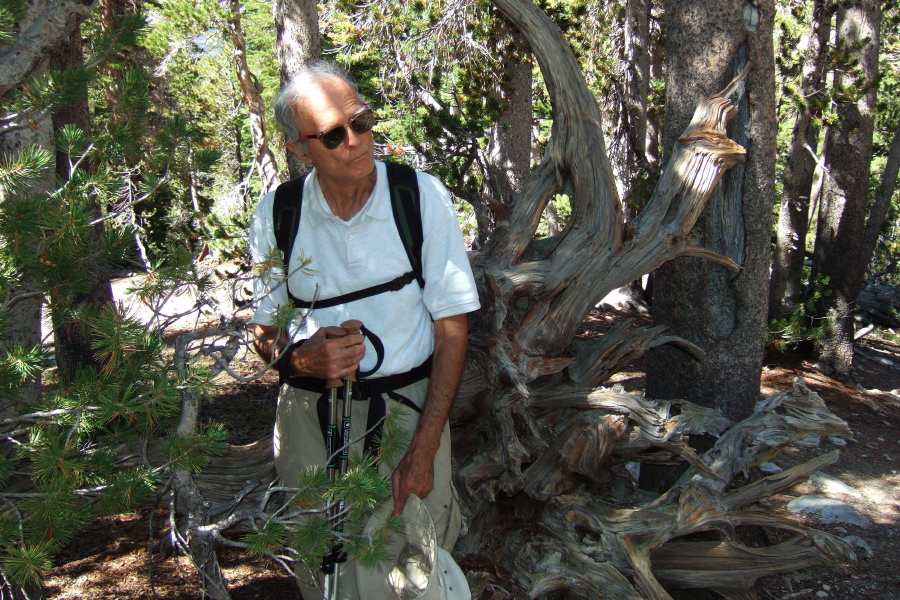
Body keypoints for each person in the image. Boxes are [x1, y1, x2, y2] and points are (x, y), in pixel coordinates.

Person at [248, 61, 480, 600]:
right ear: (302, 150)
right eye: (333, 135)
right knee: (323, 566)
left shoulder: (418, 198)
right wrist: (299, 362)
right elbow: (264, 334)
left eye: (362, 121)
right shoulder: (277, 214)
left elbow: (452, 329)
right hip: (311, 418)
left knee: (417, 564)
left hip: (408, 407)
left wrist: (423, 448)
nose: (355, 141)